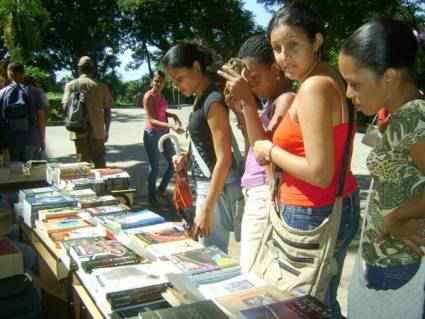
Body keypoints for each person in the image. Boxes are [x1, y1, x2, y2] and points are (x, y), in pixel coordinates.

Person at [224, 3, 359, 317]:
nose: (284, 56)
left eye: (293, 45)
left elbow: (319, 172)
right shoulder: (328, 80)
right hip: (330, 204)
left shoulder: (313, 88)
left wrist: (270, 152)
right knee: (321, 301)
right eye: (277, 48)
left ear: (317, 41)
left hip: (312, 211)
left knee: (297, 307)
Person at [339, 18, 425, 317]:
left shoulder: (415, 117)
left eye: (355, 83)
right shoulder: (403, 117)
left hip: (400, 265)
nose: (349, 94)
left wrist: (395, 219)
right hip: (388, 261)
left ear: (389, 78)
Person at [218, 35, 294, 271]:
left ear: (275, 69)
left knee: (250, 270)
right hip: (254, 190)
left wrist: (247, 102)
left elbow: (264, 152)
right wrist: (241, 111)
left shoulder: (286, 99)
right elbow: (253, 144)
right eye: (246, 83)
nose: (251, 87)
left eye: (255, 79)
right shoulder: (268, 103)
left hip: (263, 191)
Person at [163, 41, 241, 253]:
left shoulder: (213, 101)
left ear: (197, 67)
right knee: (208, 251)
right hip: (206, 184)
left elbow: (224, 158)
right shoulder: (202, 97)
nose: (176, 86)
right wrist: (187, 156)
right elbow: (206, 143)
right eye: (173, 81)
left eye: (179, 79)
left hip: (212, 187)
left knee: (210, 254)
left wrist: (207, 209)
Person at [62, 56, 114, 168]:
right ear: (93, 70)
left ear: (79, 69)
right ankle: (101, 184)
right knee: (99, 161)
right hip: (97, 131)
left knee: (83, 164)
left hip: (78, 129)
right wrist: (106, 131)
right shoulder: (102, 87)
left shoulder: (71, 85)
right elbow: (107, 112)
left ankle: (85, 184)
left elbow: (65, 106)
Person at [143, 70, 184, 207]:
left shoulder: (161, 96)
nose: (159, 83)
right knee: (154, 167)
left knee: (174, 164)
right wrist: (171, 125)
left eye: (161, 81)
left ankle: (160, 190)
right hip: (152, 134)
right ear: (151, 81)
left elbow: (161, 111)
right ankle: (151, 197)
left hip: (164, 134)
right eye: (156, 80)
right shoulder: (149, 96)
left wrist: (172, 115)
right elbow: (152, 119)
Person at [0, 62, 46, 162]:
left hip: (11, 141)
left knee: (15, 173)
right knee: (33, 172)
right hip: (31, 138)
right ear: (23, 73)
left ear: (10, 73)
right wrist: (42, 140)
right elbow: (41, 118)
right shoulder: (35, 92)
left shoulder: (2, 93)